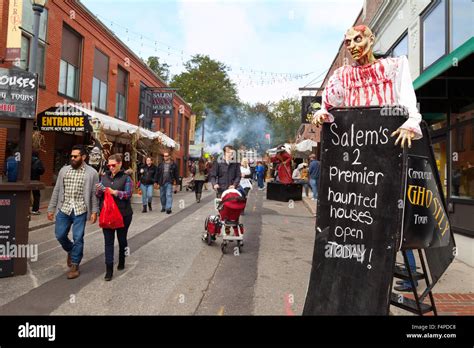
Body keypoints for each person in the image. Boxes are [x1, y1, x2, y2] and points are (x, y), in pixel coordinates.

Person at [313, 25, 422, 148]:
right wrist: (322, 112)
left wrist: (410, 124)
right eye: (348, 43)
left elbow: (408, 100)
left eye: (358, 39)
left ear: (371, 39)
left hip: (387, 140)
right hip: (356, 141)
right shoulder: (342, 75)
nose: (352, 46)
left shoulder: (393, 66)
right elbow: (328, 104)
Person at [47, 144, 99, 280]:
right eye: (71, 156)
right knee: (60, 235)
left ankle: (75, 265)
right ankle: (70, 250)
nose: (72, 158)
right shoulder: (64, 171)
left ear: (83, 157)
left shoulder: (92, 173)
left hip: (80, 210)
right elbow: (57, 190)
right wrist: (51, 209)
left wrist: (94, 211)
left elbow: (94, 194)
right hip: (64, 209)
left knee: (78, 237)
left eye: (75, 156)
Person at [96, 154, 133, 281]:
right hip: (107, 214)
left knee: (122, 239)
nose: (111, 167)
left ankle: (122, 259)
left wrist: (115, 192)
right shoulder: (104, 177)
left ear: (120, 164)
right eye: (109, 165)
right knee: (108, 242)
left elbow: (128, 194)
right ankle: (109, 269)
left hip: (123, 214)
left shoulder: (126, 178)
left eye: (113, 165)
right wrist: (99, 190)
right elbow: (98, 195)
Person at [31, 150, 45, 214]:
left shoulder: (28, 160)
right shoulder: (38, 161)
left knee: (26, 195)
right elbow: (42, 170)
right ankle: (35, 210)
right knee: (36, 195)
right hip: (35, 180)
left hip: (27, 180)